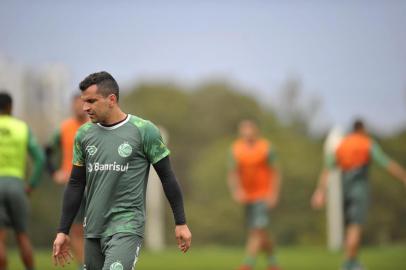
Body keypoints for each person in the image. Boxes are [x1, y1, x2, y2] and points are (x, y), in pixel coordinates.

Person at [52, 71, 192, 270]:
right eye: (84, 101)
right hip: (93, 228)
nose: (85, 108)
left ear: (111, 99)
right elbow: (75, 183)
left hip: (126, 225)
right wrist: (62, 230)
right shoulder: (83, 134)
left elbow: (167, 177)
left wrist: (181, 222)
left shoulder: (144, 130)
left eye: (91, 101)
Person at [311, 119, 406, 270]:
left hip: (345, 190)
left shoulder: (342, 145)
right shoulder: (366, 143)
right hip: (359, 190)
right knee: (355, 227)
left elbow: (327, 169)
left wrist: (320, 191)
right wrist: (403, 176)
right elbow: (385, 162)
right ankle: (348, 264)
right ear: (362, 129)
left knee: (350, 227)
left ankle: (352, 262)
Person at [228, 120, 282, 270]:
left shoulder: (266, 147)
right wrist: (236, 190)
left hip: (263, 195)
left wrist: (273, 193)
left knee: (258, 228)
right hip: (247, 196)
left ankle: (248, 263)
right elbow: (232, 173)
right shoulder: (235, 149)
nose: (247, 134)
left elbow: (276, 172)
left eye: (249, 130)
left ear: (256, 131)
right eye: (244, 131)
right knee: (259, 230)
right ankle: (273, 262)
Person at [0, 91, 45, 270]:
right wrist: (31, 184)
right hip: (17, 185)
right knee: (22, 235)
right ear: (11, 107)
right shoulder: (22, 127)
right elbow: (40, 159)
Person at [45, 94, 88, 269]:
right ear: (72, 106)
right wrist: (54, 172)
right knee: (76, 228)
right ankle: (83, 265)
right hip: (72, 183)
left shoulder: (95, 125)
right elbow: (47, 151)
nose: (79, 108)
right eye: (75, 104)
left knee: (96, 226)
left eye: (82, 104)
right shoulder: (64, 128)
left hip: (94, 182)